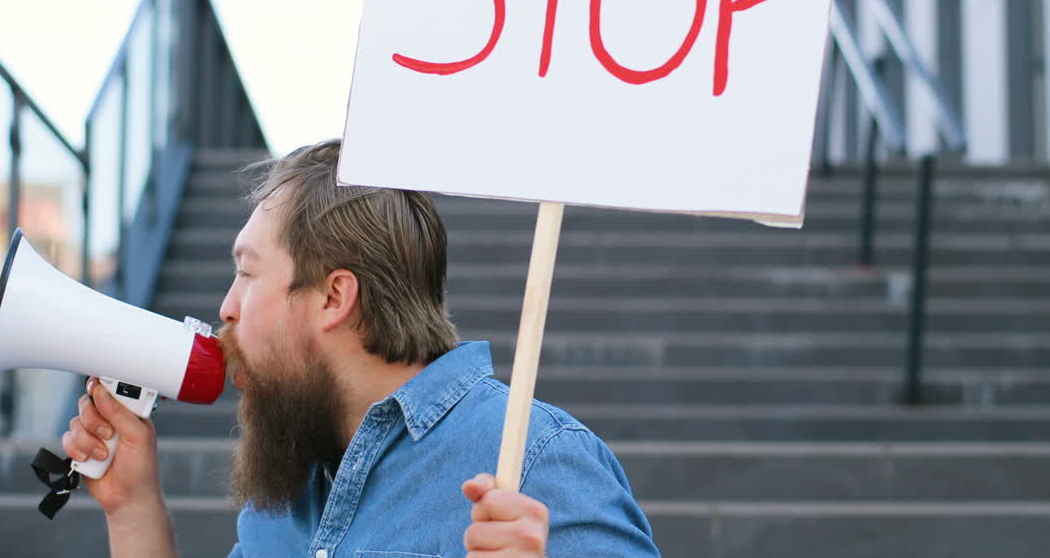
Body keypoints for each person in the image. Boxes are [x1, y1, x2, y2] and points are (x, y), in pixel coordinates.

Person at [62, 138, 659, 557]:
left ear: (333, 296)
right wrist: (133, 507)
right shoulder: (287, 490)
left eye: (247, 272)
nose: (226, 307)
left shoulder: (536, 462)